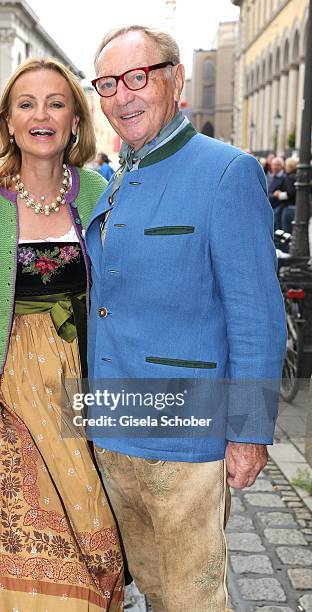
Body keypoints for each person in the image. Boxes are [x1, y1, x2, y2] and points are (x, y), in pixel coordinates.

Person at [85, 26, 286, 611]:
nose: (123, 96)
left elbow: (257, 316)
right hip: (109, 423)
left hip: (186, 435)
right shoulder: (109, 181)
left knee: (193, 599)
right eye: (107, 83)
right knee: (146, 587)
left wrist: (249, 431)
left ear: (174, 79)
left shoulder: (227, 172)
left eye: (138, 76)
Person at [0, 57, 123, 611]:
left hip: (82, 373)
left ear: (74, 120)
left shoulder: (97, 190)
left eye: (55, 103)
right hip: (8, 379)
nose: (40, 115)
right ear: (10, 121)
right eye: (26, 104)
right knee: (15, 525)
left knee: (89, 518)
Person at [274, 157, 298, 234]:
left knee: (284, 232)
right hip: (293, 207)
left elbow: (290, 193)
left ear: (290, 166)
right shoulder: (296, 176)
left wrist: (279, 194)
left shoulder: (290, 177)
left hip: (287, 207)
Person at [267, 156, 286, 229]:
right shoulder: (270, 176)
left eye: (277, 165)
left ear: (281, 166)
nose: (275, 167)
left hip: (277, 208)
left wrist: (277, 194)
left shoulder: (284, 178)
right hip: (269, 206)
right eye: (273, 165)